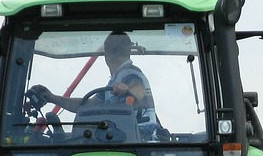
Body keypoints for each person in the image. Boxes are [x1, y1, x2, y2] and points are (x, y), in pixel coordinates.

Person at [28, 31, 165, 138]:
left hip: (141, 138)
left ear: (106, 53)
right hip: (123, 137)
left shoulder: (130, 74)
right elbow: (85, 105)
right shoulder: (112, 83)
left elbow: (139, 91)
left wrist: (127, 88)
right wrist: (52, 97)